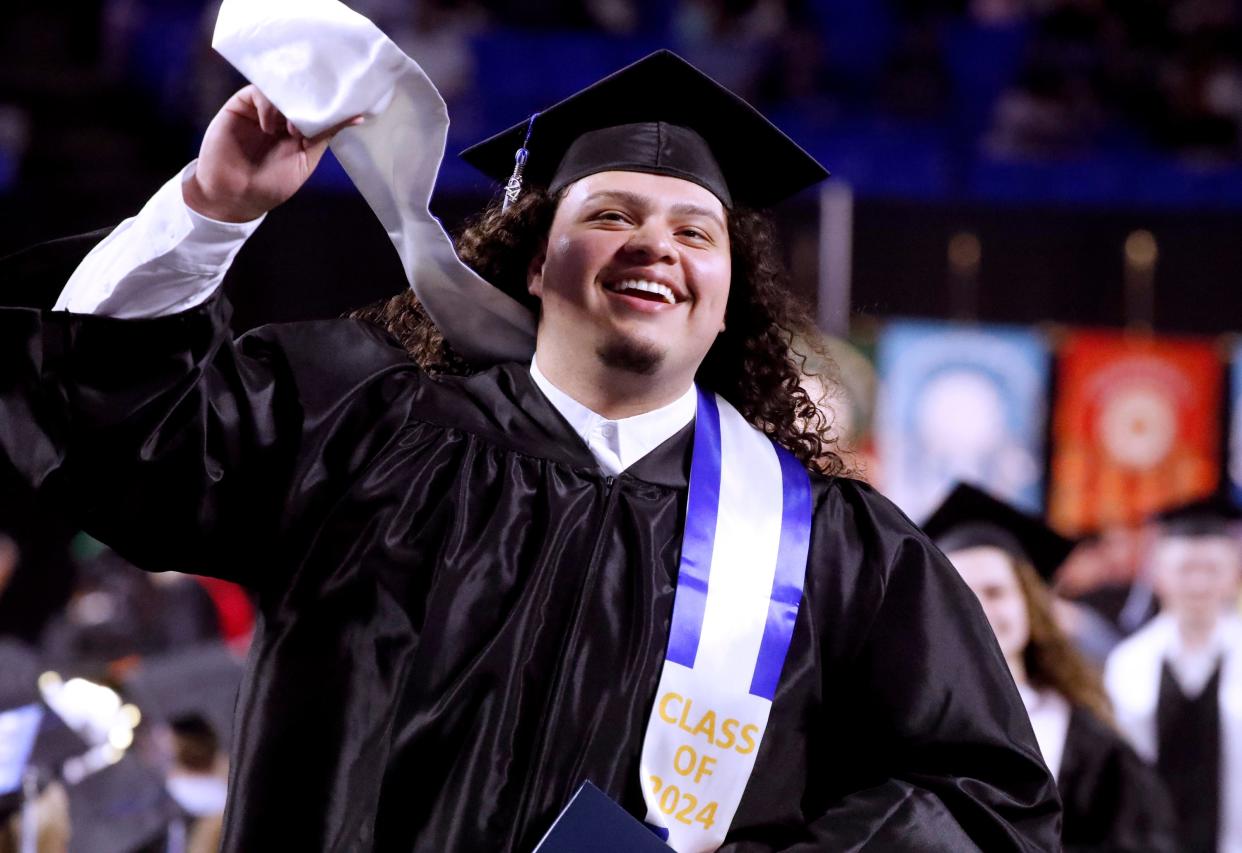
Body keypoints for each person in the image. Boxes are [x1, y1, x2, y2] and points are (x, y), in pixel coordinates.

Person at [0, 13, 1059, 851]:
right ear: (533, 259)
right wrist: (215, 203)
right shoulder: (366, 431)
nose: (656, 244)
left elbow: (982, 799)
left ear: (729, 298)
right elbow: (115, 431)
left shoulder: (832, 549)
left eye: (696, 231)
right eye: (609, 215)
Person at [924, 483, 1178, 852]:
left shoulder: (1095, 744)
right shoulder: (904, 728)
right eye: (962, 594)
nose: (979, 611)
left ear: (1030, 605)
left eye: (995, 592)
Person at [1105, 495, 1242, 853]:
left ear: (1233, 574)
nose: (1198, 584)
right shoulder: (1128, 663)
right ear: (1160, 575)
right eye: (1185, 569)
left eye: (1211, 569)